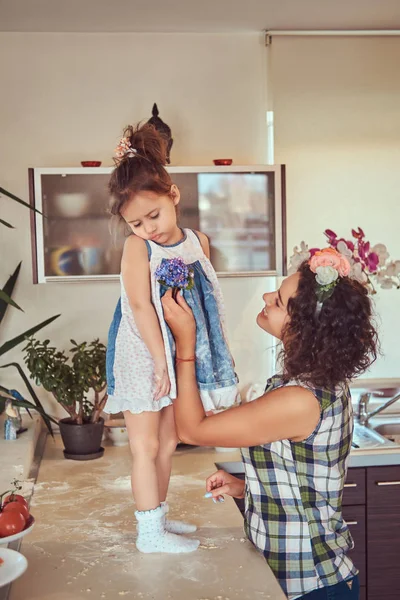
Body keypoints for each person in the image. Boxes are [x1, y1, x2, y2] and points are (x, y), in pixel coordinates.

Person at [161, 248, 378, 598]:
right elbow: (305, 483)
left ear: (303, 330)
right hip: (309, 580)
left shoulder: (298, 400)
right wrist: (248, 488)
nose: (265, 297)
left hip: (312, 584)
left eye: (277, 301)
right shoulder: (316, 382)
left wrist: (185, 344)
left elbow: (192, 430)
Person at [105, 123, 239, 554]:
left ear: (173, 195)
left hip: (169, 354)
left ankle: (157, 518)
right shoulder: (137, 249)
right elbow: (141, 307)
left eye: (154, 215)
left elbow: (205, 303)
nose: (148, 228)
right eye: (136, 222)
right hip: (143, 354)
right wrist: (162, 362)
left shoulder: (197, 242)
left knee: (166, 443)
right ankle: (148, 535)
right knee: (144, 446)